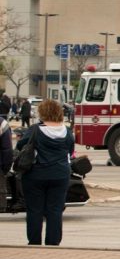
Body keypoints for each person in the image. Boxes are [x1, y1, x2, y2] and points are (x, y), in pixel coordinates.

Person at [17, 99, 75, 246]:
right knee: (55, 210)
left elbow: (21, 146)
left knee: (35, 210)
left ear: (42, 112)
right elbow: (70, 150)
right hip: (60, 174)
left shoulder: (35, 129)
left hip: (36, 174)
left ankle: (34, 241)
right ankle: (53, 242)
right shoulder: (67, 132)